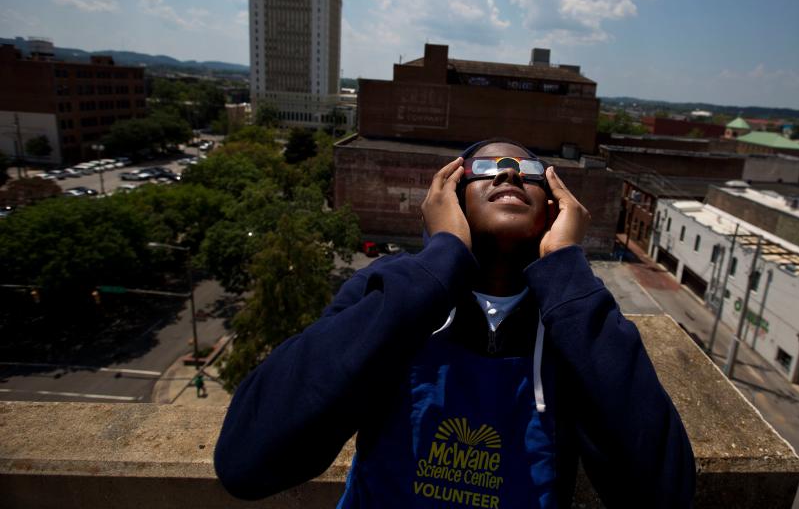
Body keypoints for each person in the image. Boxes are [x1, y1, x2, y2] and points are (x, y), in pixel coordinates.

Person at [215, 139, 695, 508]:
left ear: (555, 208)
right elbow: (247, 460)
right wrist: (439, 258)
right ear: (449, 201)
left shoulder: (576, 318)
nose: (508, 171)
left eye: (528, 171)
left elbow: (662, 492)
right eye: (485, 168)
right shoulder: (391, 294)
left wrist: (566, 267)